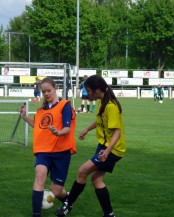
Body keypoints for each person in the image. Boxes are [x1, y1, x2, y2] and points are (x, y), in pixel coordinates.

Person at [55, 75, 126, 217]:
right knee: (97, 179)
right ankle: (109, 214)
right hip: (104, 146)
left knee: (82, 171)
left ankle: (67, 205)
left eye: (89, 90)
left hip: (112, 149)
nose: (88, 93)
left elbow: (117, 131)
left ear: (98, 90)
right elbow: (100, 122)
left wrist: (107, 151)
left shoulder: (111, 106)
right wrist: (87, 129)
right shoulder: (102, 102)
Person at [19, 77, 76, 217]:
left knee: (56, 190)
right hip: (43, 151)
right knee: (40, 176)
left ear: (55, 88)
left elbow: (67, 128)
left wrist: (58, 132)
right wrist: (25, 117)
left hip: (61, 152)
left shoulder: (64, 105)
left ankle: (67, 199)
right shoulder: (41, 110)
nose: (46, 94)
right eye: (43, 91)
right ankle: (36, 214)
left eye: (49, 90)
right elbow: (39, 127)